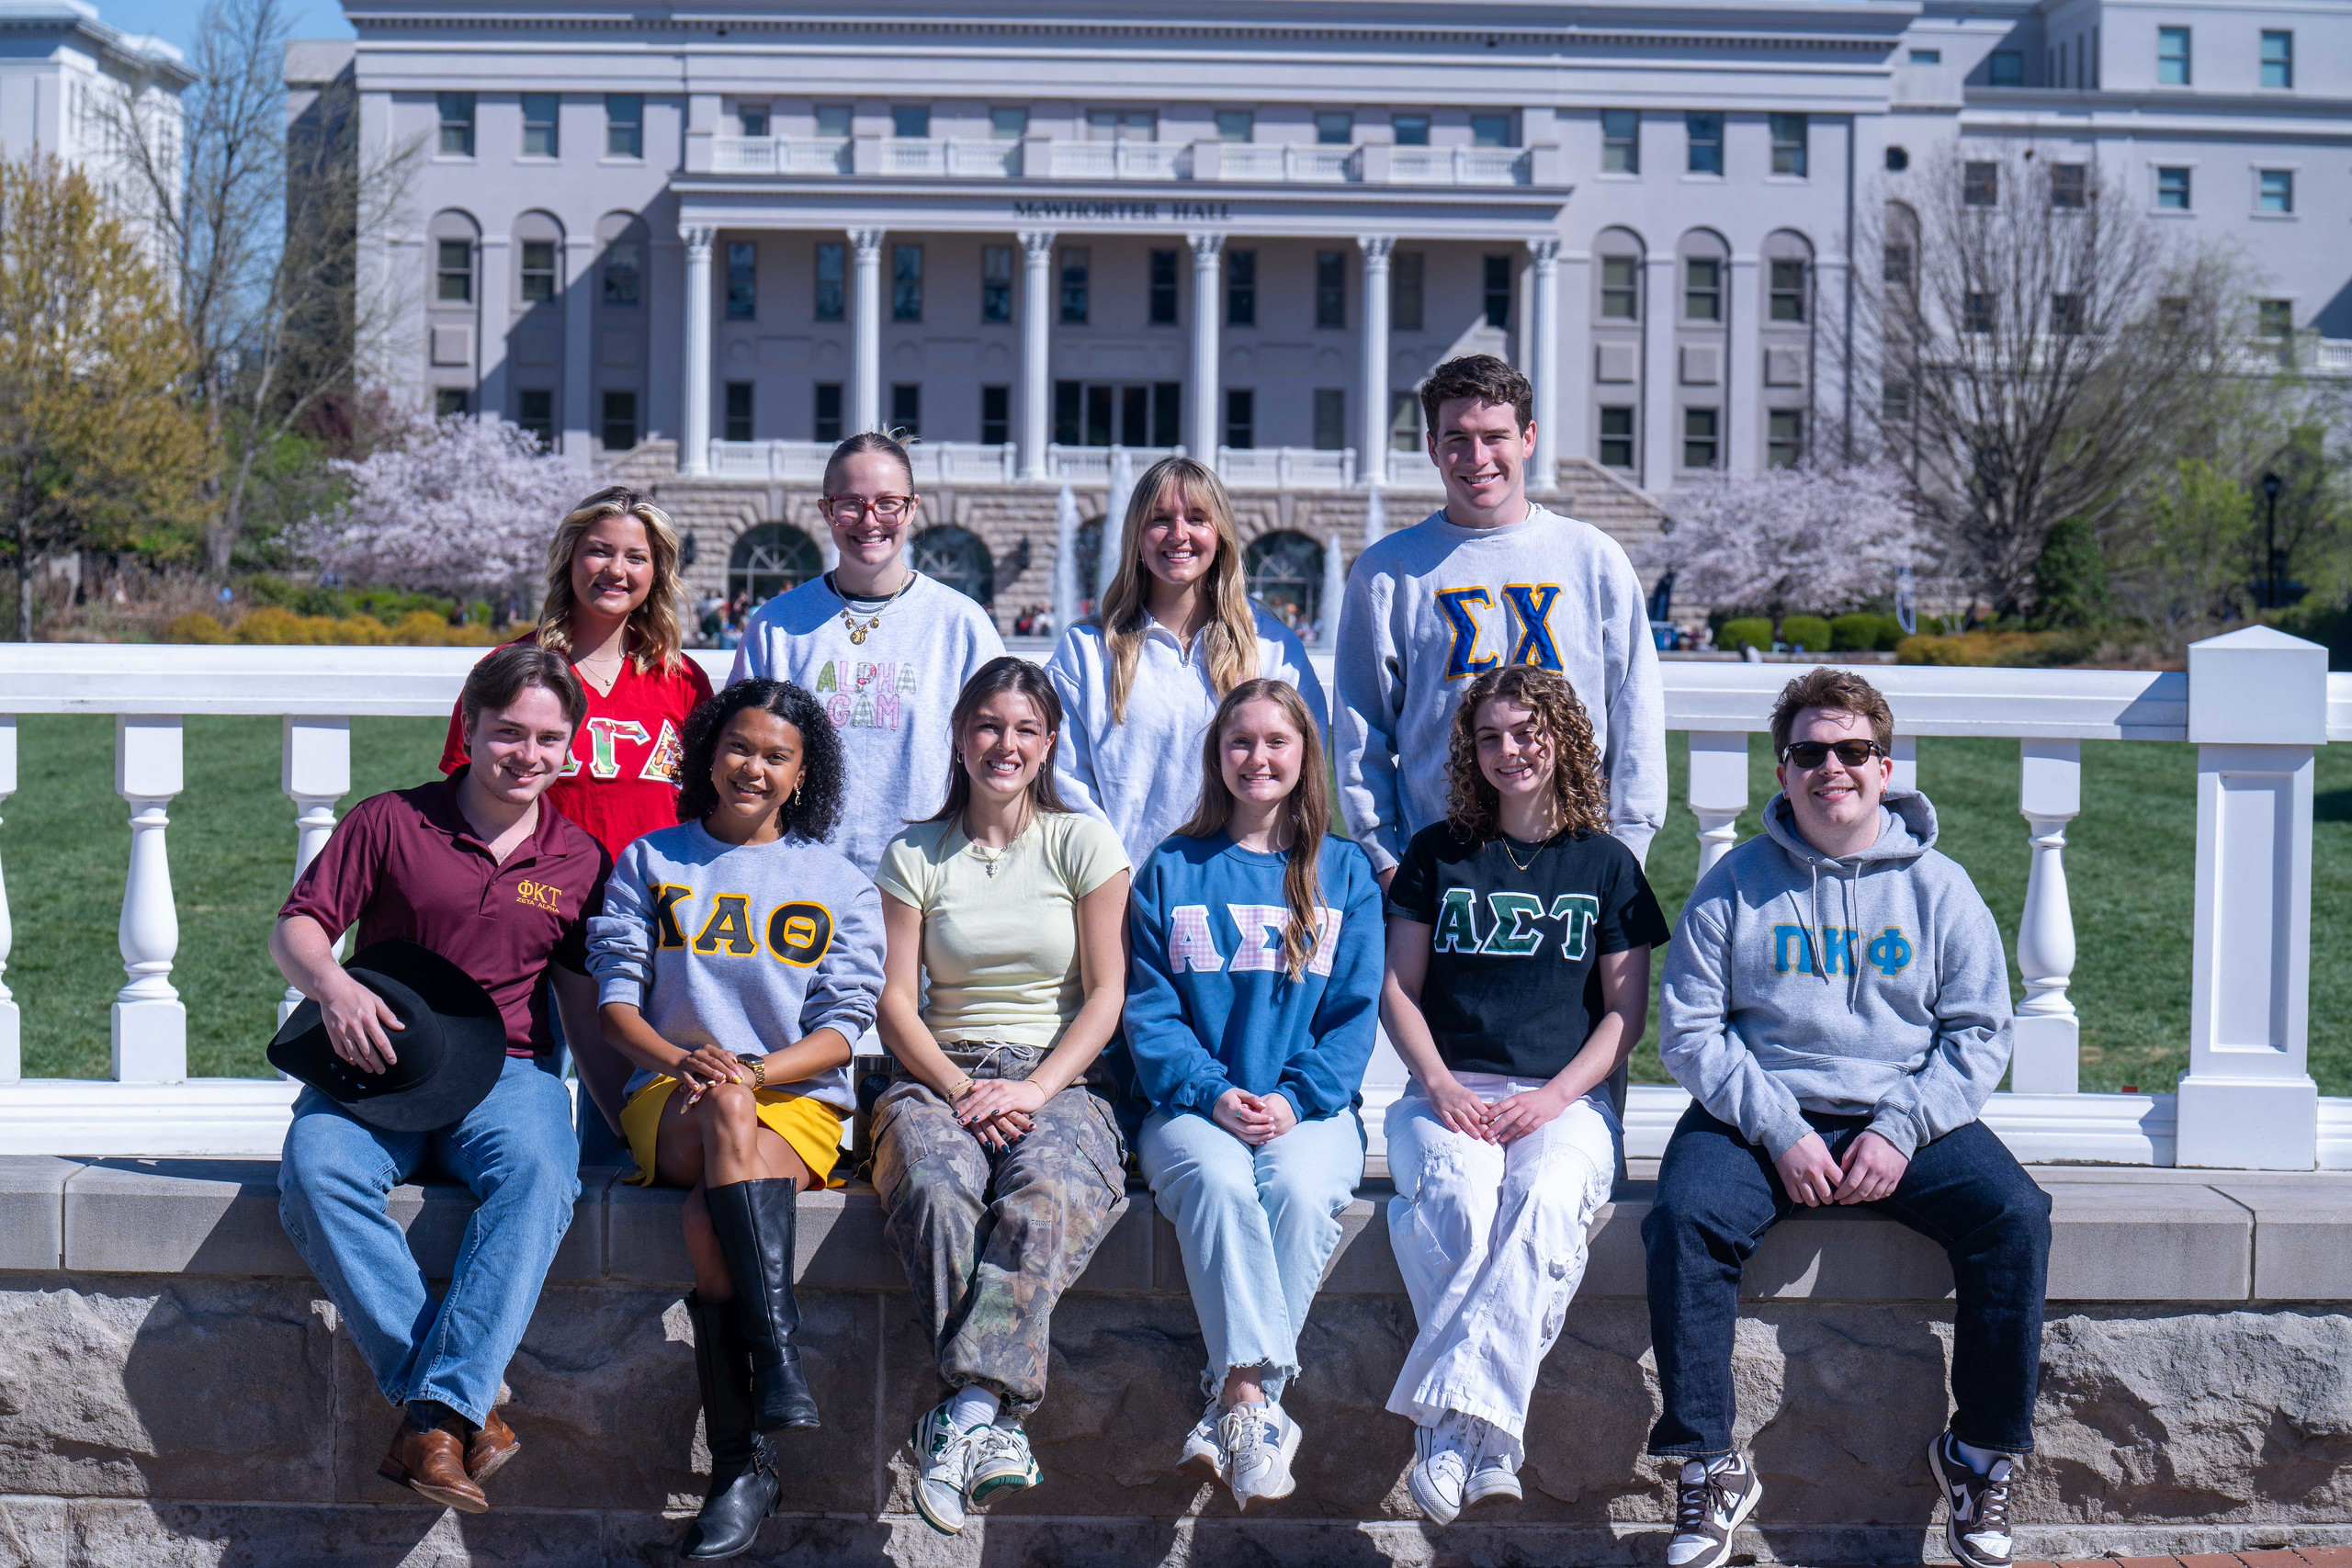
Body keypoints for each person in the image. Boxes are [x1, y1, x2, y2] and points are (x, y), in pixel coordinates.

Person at [1646, 668, 2048, 1568]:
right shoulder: (1731, 887)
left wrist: (1901, 1127)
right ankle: (1707, 1465)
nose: (1833, 767)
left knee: (2014, 1216)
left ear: (1885, 764)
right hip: (1759, 1115)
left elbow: (1981, 1031)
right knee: (1685, 1219)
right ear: (1782, 771)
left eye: (1853, 750)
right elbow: (1690, 1033)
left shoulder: (1939, 889)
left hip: (1903, 1114)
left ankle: (1978, 1454)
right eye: (1810, 752)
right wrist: (1778, 1128)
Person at [274, 644, 609, 1515]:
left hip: (511, 1071)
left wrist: (619, 1120)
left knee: (541, 1175)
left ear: (570, 745)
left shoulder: (579, 859)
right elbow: (298, 930)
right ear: (470, 726)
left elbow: (584, 1004)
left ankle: (433, 1413)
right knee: (317, 1171)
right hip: (378, 1061)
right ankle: (463, 1408)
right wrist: (335, 986)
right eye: (508, 733)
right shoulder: (390, 820)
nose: (526, 755)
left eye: (547, 738)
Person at [586, 679, 883, 1559]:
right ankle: (778, 1361)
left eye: (776, 755)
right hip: (668, 1095)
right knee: (721, 1109)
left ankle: (739, 1462)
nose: (754, 766)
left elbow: (841, 1028)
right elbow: (614, 1005)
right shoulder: (653, 859)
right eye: (740, 747)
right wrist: (683, 1059)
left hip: (792, 1106)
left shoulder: (836, 881)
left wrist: (750, 1070)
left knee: (706, 1205)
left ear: (803, 773)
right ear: (709, 753)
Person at [1379, 663, 1668, 1525]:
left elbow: (1625, 1013)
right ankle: (1492, 1439)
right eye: (1492, 736)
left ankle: (1457, 1430)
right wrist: (1438, 1085)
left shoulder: (1607, 864)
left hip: (1566, 1099)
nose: (1512, 750)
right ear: (1471, 751)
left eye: (1529, 731)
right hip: (1449, 1089)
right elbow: (1398, 990)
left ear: (1563, 738)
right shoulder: (1439, 854)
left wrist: (1554, 1100)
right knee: (1460, 1206)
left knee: (1543, 1200)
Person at [868, 657, 1132, 1538]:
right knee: (940, 1189)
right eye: (988, 725)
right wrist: (958, 1088)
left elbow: (1106, 994)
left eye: (1025, 728)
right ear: (959, 735)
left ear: (1049, 740)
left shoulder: (1082, 842)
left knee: (1047, 1190)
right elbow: (895, 1003)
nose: (1005, 744)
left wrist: (1033, 1086)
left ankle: (967, 1415)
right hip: (938, 1072)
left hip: (1056, 1073)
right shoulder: (914, 852)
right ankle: (989, 1419)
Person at [1124, 678, 1381, 1509]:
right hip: (1190, 1108)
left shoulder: (1341, 871)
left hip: (1310, 1108)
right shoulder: (1173, 866)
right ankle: (1253, 1402)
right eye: (1241, 742)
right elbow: (1151, 1011)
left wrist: (1296, 1101)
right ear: (1217, 755)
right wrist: (1210, 1092)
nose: (1258, 757)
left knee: (1302, 1190)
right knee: (1222, 1180)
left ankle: (1237, 1399)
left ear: (1306, 755)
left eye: (1277, 741)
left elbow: (1353, 1014)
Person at [438, 486, 713, 1135]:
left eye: (635, 556)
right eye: (598, 551)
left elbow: (705, 808)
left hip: (644, 925)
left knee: (623, 1119)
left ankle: (611, 1237)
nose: (616, 570)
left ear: (658, 571)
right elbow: (464, 797)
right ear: (569, 560)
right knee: (521, 1099)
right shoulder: (514, 669)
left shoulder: (684, 681)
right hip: (532, 917)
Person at [1333, 354, 1665, 888]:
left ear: (1528, 438)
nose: (1476, 456)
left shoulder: (1592, 557)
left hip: (1577, 860)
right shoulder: (1387, 572)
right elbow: (1360, 732)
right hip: (1441, 867)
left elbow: (1636, 714)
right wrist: (1387, 858)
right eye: (1457, 438)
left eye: (1495, 436)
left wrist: (1626, 852)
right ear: (1431, 446)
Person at [731, 431, 1007, 877]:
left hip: (929, 873)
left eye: (887, 502)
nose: (869, 519)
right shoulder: (777, 624)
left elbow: (999, 749)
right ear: (826, 510)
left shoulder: (960, 623)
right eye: (850, 503)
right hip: (798, 873)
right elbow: (740, 751)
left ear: (912, 508)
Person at [1046, 455, 1328, 870]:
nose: (1179, 535)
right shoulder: (1087, 650)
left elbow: (1306, 770)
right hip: (1120, 894)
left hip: (1238, 894)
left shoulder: (1271, 647)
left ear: (1220, 534)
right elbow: (1063, 781)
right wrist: (1109, 879)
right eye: (1160, 519)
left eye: (1197, 518)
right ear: (1137, 536)